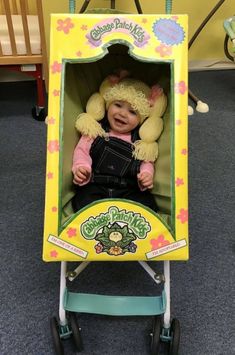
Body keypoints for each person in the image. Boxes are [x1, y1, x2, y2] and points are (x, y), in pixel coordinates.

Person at [71, 70, 167, 213]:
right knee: (82, 200)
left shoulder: (141, 142)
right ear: (108, 105)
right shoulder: (96, 130)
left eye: (132, 112)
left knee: (147, 205)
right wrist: (81, 167)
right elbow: (81, 151)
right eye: (118, 105)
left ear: (141, 120)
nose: (122, 113)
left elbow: (147, 162)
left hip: (128, 189)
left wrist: (146, 175)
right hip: (96, 184)